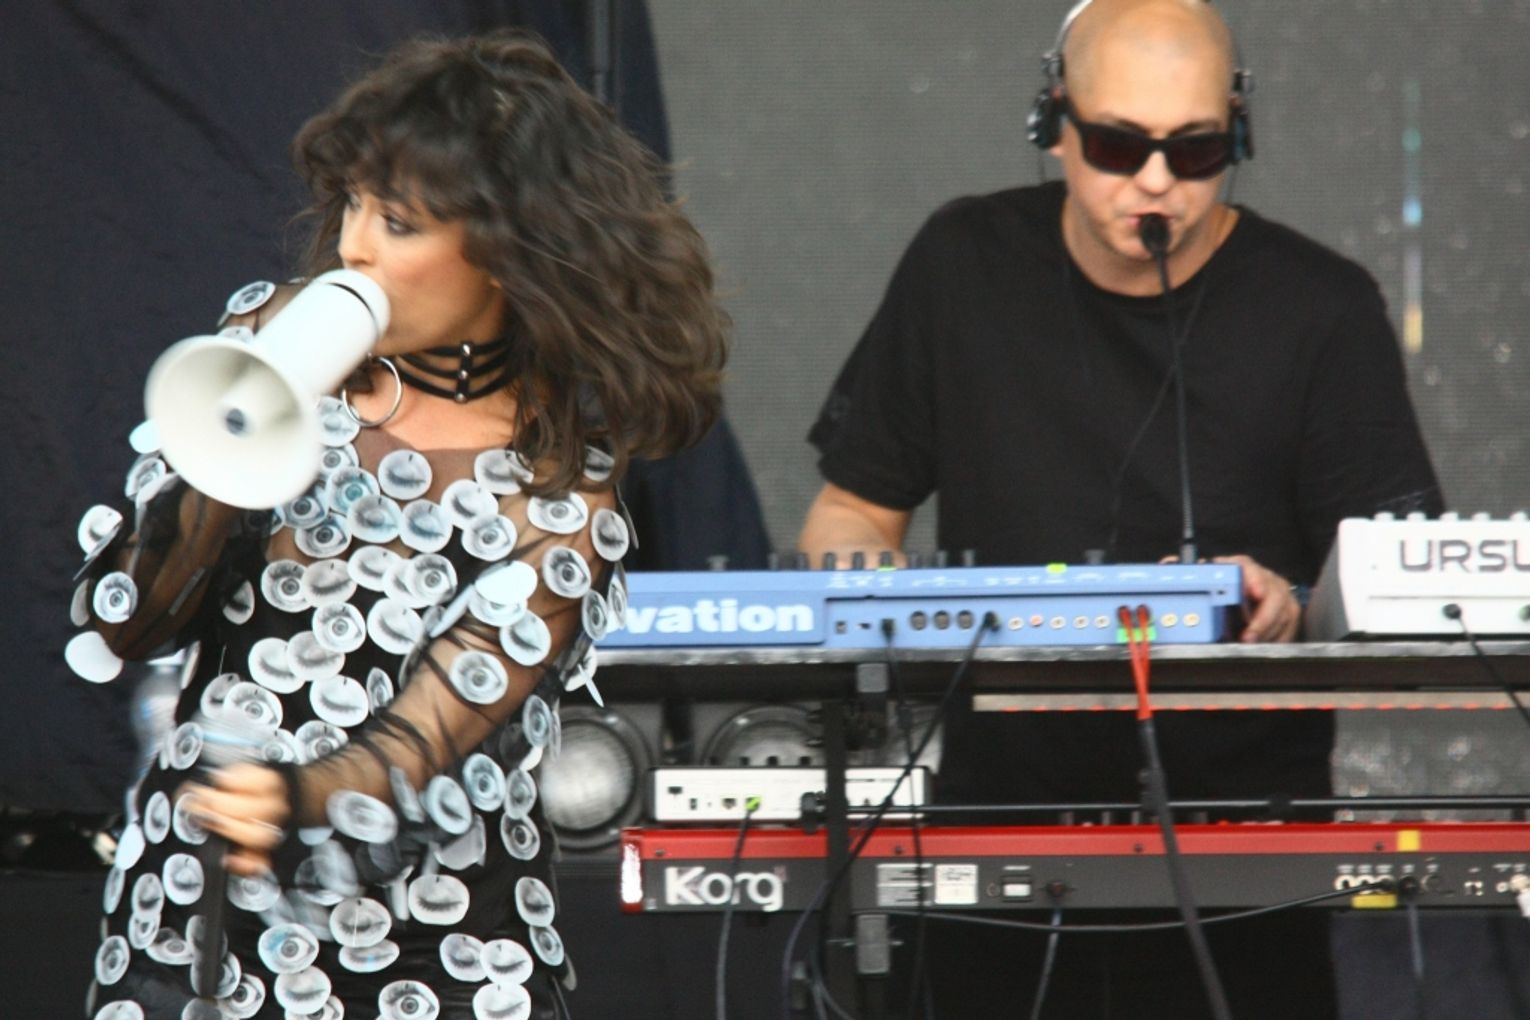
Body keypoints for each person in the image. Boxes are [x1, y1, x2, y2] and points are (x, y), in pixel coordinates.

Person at [66, 31, 727, 1020]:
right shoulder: (266, 339)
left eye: (401, 222)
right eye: (354, 204)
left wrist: (292, 797)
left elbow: (424, 743)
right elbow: (124, 620)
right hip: (200, 931)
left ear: (509, 253)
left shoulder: (558, 501)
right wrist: (231, 450)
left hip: (436, 961)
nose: (354, 247)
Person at [800, 0, 1441, 1016]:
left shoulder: (1324, 309)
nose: (1154, 180)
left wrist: (1291, 602)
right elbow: (851, 511)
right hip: (993, 845)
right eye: (1116, 145)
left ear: (1238, 134)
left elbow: (1402, 595)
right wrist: (884, 598)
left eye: (1195, 150)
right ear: (1052, 123)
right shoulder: (963, 262)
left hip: (1243, 867)